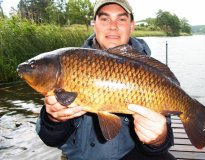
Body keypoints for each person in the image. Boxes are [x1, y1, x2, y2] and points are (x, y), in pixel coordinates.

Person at [36, 0, 175, 159]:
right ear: (94, 24)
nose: (113, 26)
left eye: (121, 19)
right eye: (105, 19)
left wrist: (158, 138)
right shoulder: (70, 64)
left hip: (129, 154)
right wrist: (53, 118)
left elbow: (166, 138)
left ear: (132, 25)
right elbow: (50, 139)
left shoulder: (148, 71)